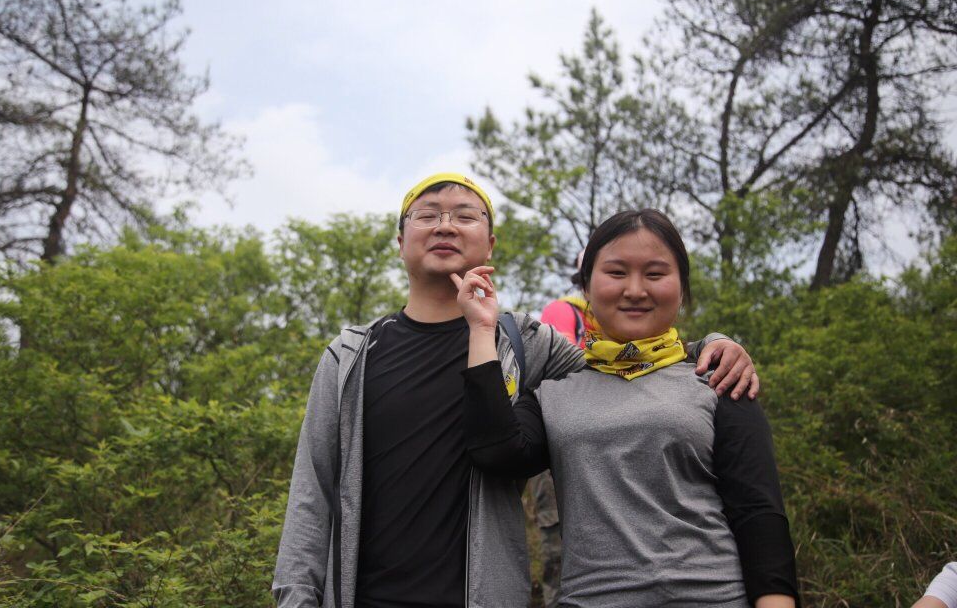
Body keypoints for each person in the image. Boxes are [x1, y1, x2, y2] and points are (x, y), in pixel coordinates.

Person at [272, 174, 760, 608]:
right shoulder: (352, 356)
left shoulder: (527, 343)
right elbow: (313, 489)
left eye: (465, 216)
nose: (445, 226)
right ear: (401, 242)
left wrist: (707, 347)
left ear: (490, 245)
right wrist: (296, 597)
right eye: (428, 215)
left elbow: (624, 366)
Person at [455, 208, 800, 607]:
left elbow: (759, 513)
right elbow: (495, 451)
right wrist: (482, 330)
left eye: (655, 274)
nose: (635, 290)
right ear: (586, 287)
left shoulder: (719, 378)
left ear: (682, 289)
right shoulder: (554, 395)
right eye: (616, 273)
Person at [529, 252, 592, 608]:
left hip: (598, 443)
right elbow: (564, 370)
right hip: (558, 443)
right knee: (558, 541)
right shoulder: (563, 311)